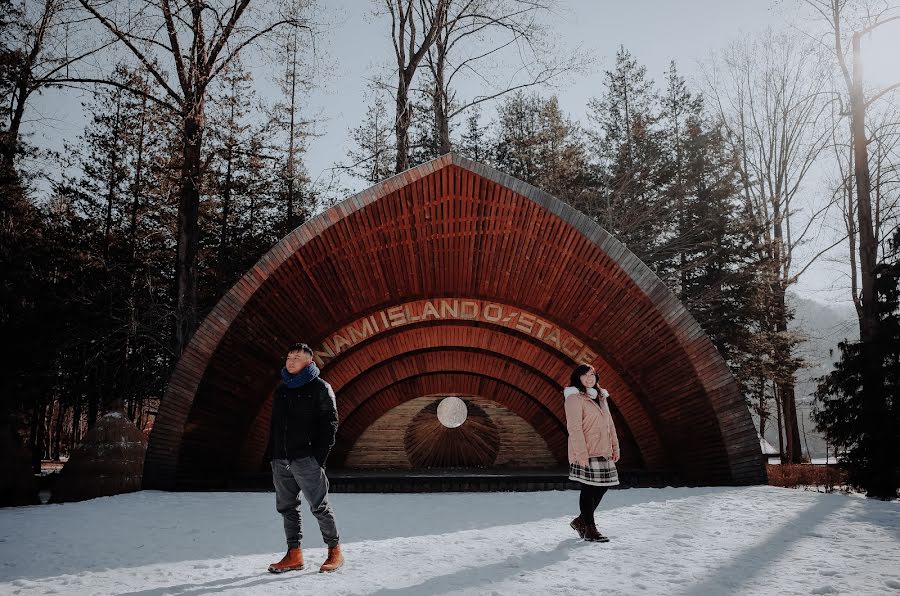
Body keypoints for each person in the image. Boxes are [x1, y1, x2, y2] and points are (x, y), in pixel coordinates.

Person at [267, 342, 344, 574]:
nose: (291, 361)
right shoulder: (281, 389)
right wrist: (275, 453)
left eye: (297, 357)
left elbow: (330, 424)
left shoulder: (320, 388)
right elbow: (275, 425)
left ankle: (334, 551)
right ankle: (294, 555)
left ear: (309, 362)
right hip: (281, 459)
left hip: (306, 459)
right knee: (287, 508)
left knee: (319, 506)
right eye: (289, 356)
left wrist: (317, 457)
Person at [563, 363, 620, 542]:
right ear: (577, 378)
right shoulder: (574, 398)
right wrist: (581, 454)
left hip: (603, 449)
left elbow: (610, 424)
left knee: (603, 485)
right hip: (586, 450)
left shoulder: (601, 396)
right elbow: (574, 428)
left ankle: (581, 520)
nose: (589, 378)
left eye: (592, 374)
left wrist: (615, 447)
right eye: (585, 375)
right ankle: (590, 528)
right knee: (588, 488)